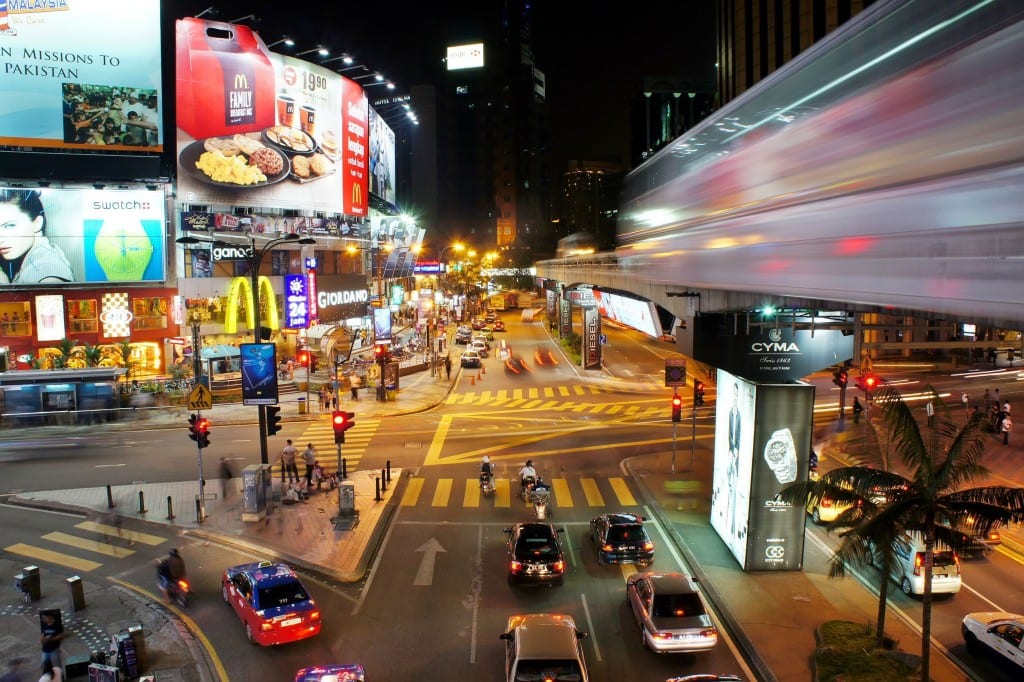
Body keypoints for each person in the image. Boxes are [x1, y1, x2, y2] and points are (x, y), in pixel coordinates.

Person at [0, 189, 74, 284]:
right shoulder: (40, 255)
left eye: (9, 226)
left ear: (37, 223)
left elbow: (50, 291)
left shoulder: (45, 267)